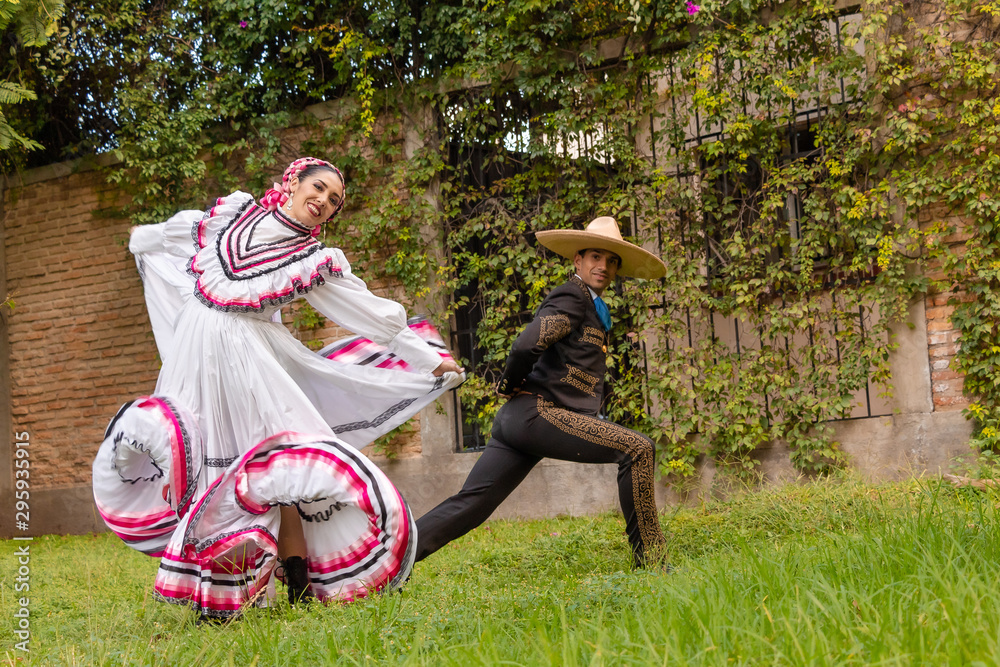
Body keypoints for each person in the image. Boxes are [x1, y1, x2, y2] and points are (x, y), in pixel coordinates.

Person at [92, 157, 464, 619]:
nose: (324, 202)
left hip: (248, 362)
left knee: (270, 468)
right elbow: (172, 233)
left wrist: (427, 358)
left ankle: (298, 584)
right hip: (197, 357)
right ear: (292, 182)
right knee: (206, 464)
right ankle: (216, 594)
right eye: (320, 189)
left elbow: (365, 310)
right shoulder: (232, 217)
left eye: (334, 201)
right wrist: (139, 238)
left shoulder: (311, 260)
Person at [414, 216, 669, 569]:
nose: (604, 266)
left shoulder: (595, 308)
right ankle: (654, 563)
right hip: (538, 414)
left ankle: (385, 562)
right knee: (638, 449)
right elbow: (526, 345)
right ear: (577, 261)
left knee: (472, 504)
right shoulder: (574, 296)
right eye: (596, 257)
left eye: (612, 261)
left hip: (522, 421)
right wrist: (508, 383)